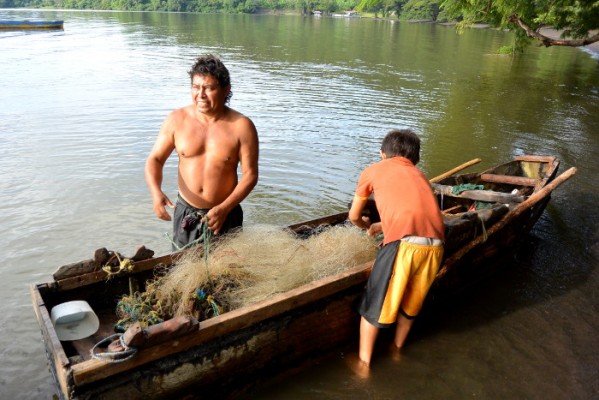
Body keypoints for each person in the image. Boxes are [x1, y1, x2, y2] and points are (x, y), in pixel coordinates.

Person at [348, 128, 444, 369]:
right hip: (436, 245)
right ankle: (397, 349)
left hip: (404, 245)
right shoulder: (420, 175)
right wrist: (380, 226)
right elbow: (413, 211)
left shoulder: (373, 170)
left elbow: (353, 216)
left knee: (372, 307)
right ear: (415, 159)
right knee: (410, 304)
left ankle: (363, 365)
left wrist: (365, 225)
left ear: (383, 154)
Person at [145, 54, 259, 250]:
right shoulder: (176, 120)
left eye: (209, 88)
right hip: (187, 214)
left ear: (226, 90)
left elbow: (250, 175)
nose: (201, 95)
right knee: (183, 274)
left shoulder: (242, 126)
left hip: (226, 214)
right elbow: (155, 159)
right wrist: (156, 192)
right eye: (196, 87)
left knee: (229, 275)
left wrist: (224, 208)